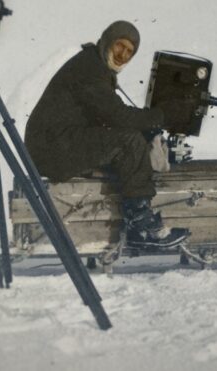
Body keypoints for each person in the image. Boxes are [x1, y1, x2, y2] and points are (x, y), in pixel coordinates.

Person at [25, 20, 193, 249]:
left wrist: (148, 124)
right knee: (128, 142)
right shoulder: (90, 69)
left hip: (56, 142)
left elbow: (109, 113)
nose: (123, 55)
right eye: (119, 46)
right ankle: (141, 227)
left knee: (129, 138)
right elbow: (116, 115)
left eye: (129, 52)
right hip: (52, 146)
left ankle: (137, 221)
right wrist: (160, 116)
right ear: (107, 42)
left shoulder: (94, 64)